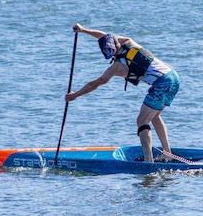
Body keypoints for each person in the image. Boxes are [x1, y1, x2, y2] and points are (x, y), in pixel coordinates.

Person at [67, 23, 182, 163]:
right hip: (173, 76)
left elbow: (95, 84)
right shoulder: (129, 42)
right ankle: (167, 153)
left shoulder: (116, 67)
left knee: (142, 121)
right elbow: (104, 36)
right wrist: (84, 30)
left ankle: (148, 161)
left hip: (161, 84)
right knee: (155, 116)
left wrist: (75, 95)